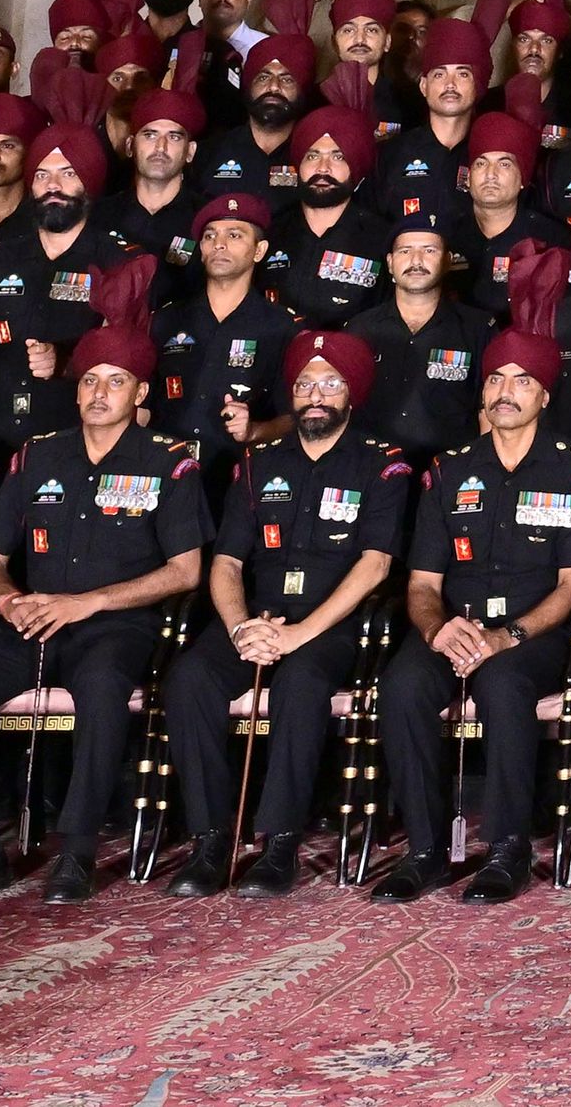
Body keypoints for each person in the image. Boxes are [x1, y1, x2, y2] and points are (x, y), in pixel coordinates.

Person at [0, 298, 209, 901]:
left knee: (101, 687)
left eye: (116, 381)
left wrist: (90, 602)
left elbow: (185, 572)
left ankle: (76, 851)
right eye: (90, 380)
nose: (100, 393)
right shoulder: (37, 455)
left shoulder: (169, 462)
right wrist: (7, 602)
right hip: (34, 620)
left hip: (116, 625)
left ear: (140, 393)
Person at [161, 329, 407, 895]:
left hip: (331, 623)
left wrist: (298, 635)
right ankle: (210, 840)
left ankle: (279, 843)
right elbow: (226, 563)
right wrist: (239, 628)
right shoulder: (257, 463)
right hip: (255, 617)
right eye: (304, 385)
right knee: (190, 679)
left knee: (300, 684)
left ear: (353, 394)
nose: (315, 396)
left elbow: (375, 565)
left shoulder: (381, 464)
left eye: (330, 384)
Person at [372, 321, 571, 902]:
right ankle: (425, 849)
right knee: (402, 685)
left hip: (535, 633)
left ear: (544, 395)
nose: (506, 391)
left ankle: (508, 848)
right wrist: (437, 629)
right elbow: (422, 583)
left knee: (503, 685)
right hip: (453, 626)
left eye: (522, 381)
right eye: (496, 379)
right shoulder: (448, 470)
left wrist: (508, 635)